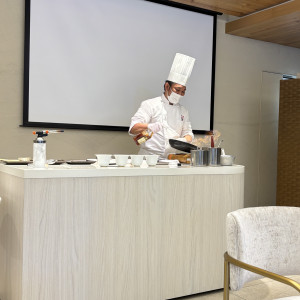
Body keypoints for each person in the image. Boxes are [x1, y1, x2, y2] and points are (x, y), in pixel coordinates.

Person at [129, 53, 195, 158]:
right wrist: (149, 126)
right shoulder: (150, 104)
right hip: (148, 158)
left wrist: (183, 140)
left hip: (172, 159)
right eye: (177, 90)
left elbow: (188, 133)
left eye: (183, 91)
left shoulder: (183, 111)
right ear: (167, 86)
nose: (179, 94)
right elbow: (133, 128)